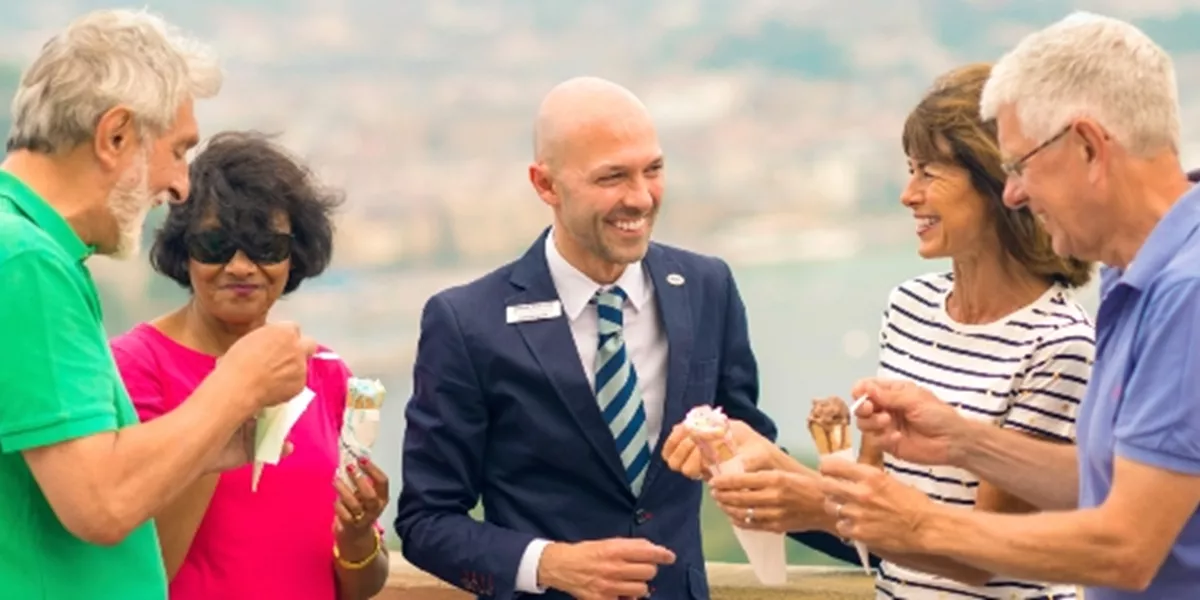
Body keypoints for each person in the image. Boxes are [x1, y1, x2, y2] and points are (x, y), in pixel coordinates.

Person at [663, 62, 1096, 599]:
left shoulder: (1059, 345)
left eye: (928, 172)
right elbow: (873, 498)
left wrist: (812, 504)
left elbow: (983, 556)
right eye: (909, 170)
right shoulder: (909, 306)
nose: (908, 194)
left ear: (997, 183)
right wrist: (750, 454)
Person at [820, 12, 1200, 600]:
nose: (1014, 193)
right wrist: (962, 441)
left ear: (1088, 148)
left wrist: (920, 523)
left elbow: (1129, 547)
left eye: (1021, 165)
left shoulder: (1187, 292)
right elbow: (1106, 487)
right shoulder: (1139, 281)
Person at [393, 76, 780, 600]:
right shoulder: (466, 322)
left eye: (653, 170)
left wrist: (898, 541)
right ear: (545, 185)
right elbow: (425, 521)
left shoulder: (708, 287)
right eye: (612, 177)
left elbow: (757, 464)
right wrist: (548, 564)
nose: (641, 197)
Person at [0, 9, 316, 599]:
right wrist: (239, 383)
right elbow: (101, 502)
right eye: (178, 151)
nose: (181, 187)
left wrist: (205, 442)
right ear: (114, 135)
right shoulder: (26, 262)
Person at [109, 131, 389, 599]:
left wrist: (358, 536)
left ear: (294, 255)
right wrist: (230, 403)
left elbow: (359, 587)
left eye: (265, 246)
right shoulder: (135, 368)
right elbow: (143, 567)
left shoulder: (323, 372)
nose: (240, 266)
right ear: (184, 250)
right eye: (216, 245)